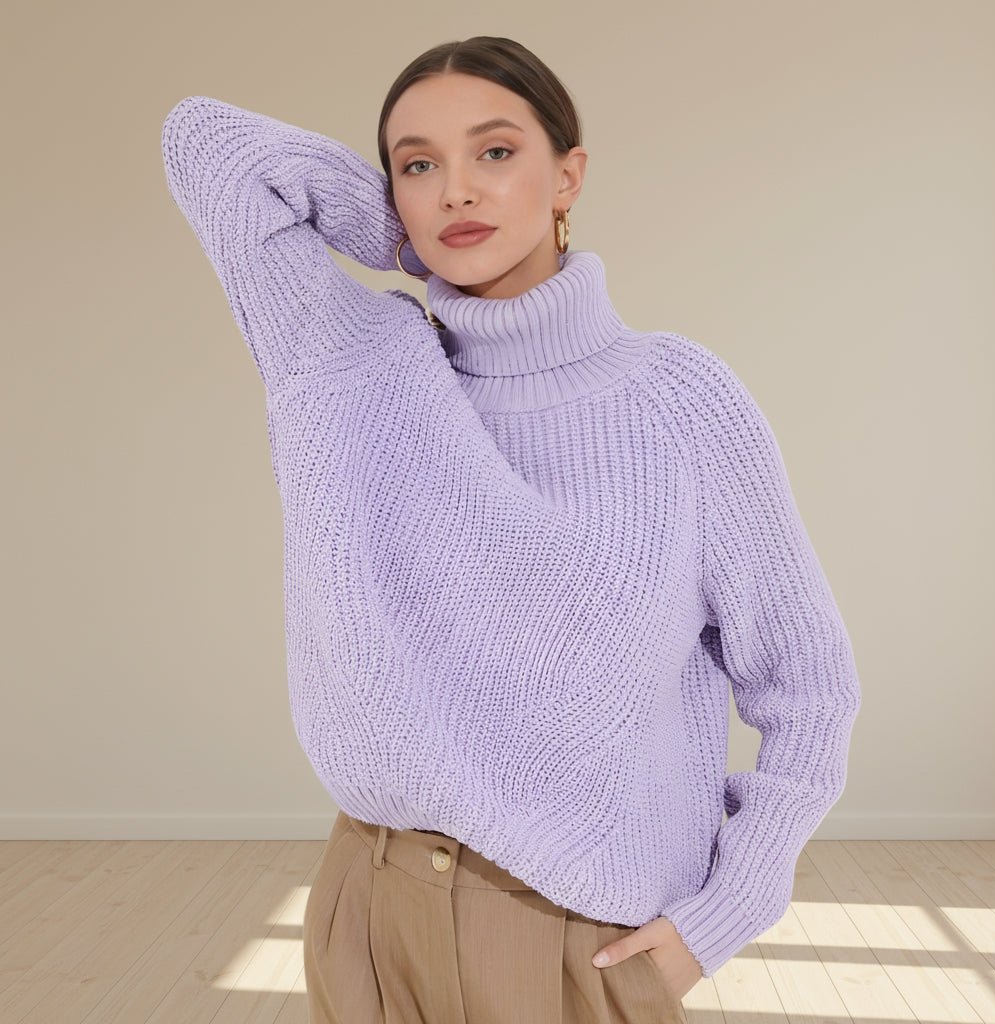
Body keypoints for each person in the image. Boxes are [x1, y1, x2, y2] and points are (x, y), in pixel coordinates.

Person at [161, 35, 861, 1024]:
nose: (456, 190)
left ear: (568, 175)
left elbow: (808, 686)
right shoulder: (351, 362)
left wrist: (724, 912)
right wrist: (395, 226)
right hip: (370, 907)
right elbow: (206, 145)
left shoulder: (680, 401)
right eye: (418, 164)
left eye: (495, 153)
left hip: (579, 935)